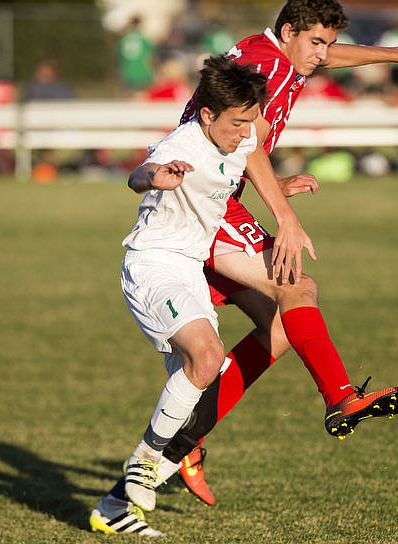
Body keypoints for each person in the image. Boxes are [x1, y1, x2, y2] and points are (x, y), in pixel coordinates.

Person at [91, 0, 398, 530]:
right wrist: (283, 216)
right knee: (297, 287)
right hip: (205, 216)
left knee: (283, 329)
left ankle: (184, 438)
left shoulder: (279, 55)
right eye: (316, 42)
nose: (324, 54)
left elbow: (310, 69)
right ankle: (339, 398)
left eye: (329, 43)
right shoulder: (263, 68)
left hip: (217, 199)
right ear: (288, 32)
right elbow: (253, 145)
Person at [90, 54, 310, 535]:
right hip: (152, 264)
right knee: (208, 356)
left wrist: (282, 190)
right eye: (237, 123)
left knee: (198, 396)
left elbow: (231, 181)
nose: (246, 133)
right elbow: (137, 175)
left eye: (252, 121)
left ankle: (111, 508)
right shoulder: (184, 141)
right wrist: (155, 177)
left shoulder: (241, 132)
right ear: (207, 115)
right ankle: (144, 461)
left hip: (188, 267)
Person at [117, 15, 156, 97]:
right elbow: (151, 55)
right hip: (142, 72)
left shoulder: (124, 38)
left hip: (128, 73)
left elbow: (119, 58)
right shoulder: (143, 38)